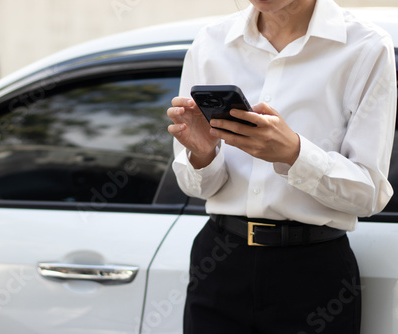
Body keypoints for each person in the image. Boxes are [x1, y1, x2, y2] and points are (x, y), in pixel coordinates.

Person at [167, 0, 397, 333]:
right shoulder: (211, 42)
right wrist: (202, 154)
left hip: (314, 274)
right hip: (219, 262)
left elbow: (370, 195)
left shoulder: (366, 46)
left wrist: (294, 154)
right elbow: (195, 186)